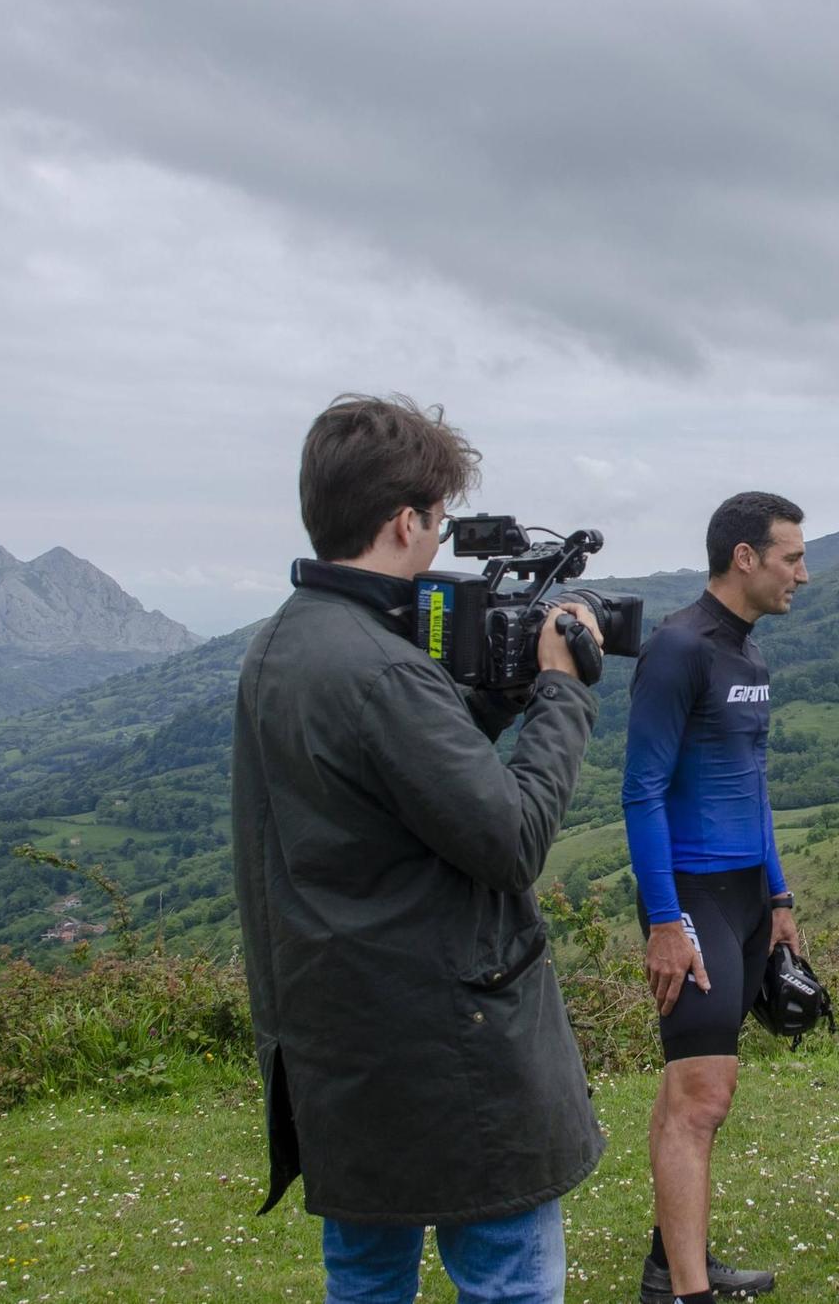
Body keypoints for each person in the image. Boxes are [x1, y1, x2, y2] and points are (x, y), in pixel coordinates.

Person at [231, 394, 605, 1304]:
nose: (438, 542)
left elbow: (390, 783)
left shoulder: (282, 644)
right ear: (405, 521)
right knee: (509, 1277)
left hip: (341, 1044)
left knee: (364, 1279)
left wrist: (491, 701)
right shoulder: (385, 667)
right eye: (436, 522)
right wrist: (561, 693)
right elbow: (513, 840)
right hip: (450, 1050)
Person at [622, 492, 808, 1304]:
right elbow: (640, 792)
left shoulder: (750, 656)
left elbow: (755, 785)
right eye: (791, 556)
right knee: (704, 1096)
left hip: (743, 900)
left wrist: (778, 893)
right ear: (744, 556)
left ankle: (671, 1265)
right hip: (690, 894)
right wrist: (666, 919)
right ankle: (690, 1294)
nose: (803, 571)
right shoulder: (678, 648)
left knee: (687, 1094)